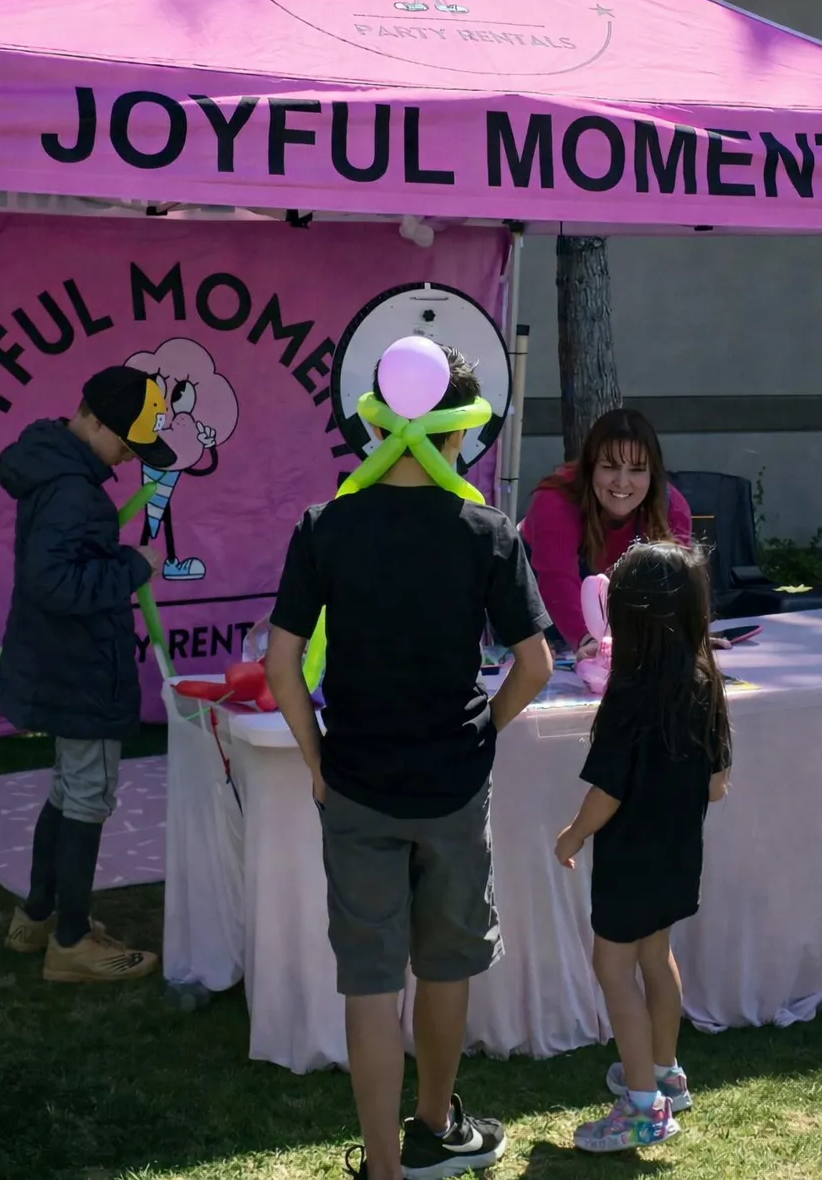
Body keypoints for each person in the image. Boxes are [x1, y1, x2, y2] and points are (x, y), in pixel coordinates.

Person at [265, 345, 553, 1180]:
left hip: (356, 780)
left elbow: (284, 664)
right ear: (460, 433)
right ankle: (434, 1123)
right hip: (452, 783)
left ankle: (386, 1166)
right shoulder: (485, 532)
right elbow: (533, 665)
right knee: (446, 960)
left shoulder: (326, 527)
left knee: (370, 976)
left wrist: (317, 760)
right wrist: (485, 730)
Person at [554, 541, 732, 1154]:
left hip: (630, 858)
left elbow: (608, 789)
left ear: (626, 620)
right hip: (679, 854)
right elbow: (715, 786)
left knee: (614, 968)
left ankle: (640, 1108)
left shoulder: (629, 697)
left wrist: (574, 833)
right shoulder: (706, 682)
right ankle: (664, 1073)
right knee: (657, 956)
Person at [0, 366, 173, 983]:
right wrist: (132, 567)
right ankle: (70, 944)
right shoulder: (76, 492)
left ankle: (38, 916)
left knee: (67, 791)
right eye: (125, 442)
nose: (127, 457)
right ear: (94, 418)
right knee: (86, 799)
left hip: (58, 663)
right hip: (80, 670)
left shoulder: (55, 470)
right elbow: (52, 582)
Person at [519, 408, 692, 656]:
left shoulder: (672, 508)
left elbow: (680, 590)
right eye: (609, 466)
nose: (622, 482)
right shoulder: (554, 501)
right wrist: (587, 641)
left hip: (621, 625)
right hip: (543, 622)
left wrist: (689, 638)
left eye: (636, 469)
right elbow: (557, 582)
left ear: (652, 474)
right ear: (590, 468)